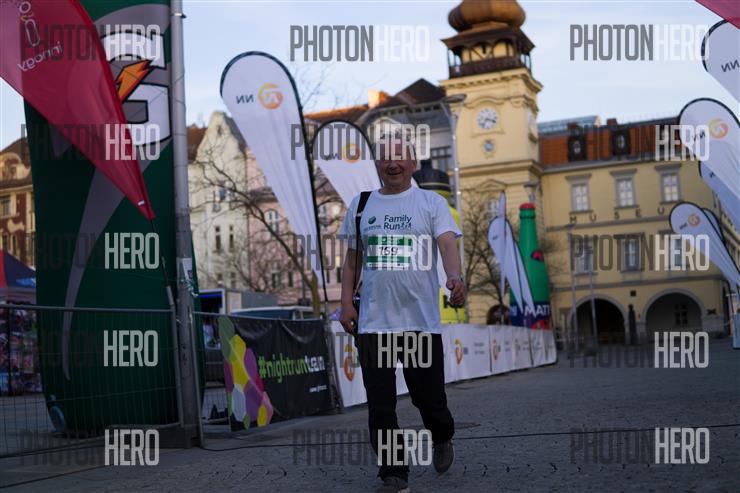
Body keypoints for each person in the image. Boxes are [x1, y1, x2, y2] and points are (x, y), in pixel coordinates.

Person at [339, 136, 466, 493]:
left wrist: (454, 277)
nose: (392, 164)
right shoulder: (361, 205)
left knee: (429, 400)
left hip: (419, 324)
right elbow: (351, 261)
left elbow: (447, 244)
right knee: (381, 407)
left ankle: (441, 435)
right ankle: (393, 473)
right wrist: (346, 303)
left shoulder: (431, 202)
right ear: (377, 165)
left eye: (399, 157)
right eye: (385, 158)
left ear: (412, 163)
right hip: (374, 324)